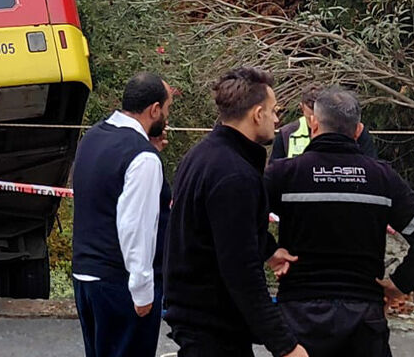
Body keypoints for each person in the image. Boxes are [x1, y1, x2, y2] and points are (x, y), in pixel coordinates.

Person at [265, 88, 414, 357]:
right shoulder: (383, 178)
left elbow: (239, 219)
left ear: (314, 124)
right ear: (359, 130)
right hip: (364, 319)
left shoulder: (284, 174)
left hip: (301, 318)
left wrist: (269, 251)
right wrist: (399, 284)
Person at [165, 66, 306, 357]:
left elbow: (219, 229)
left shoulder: (202, 155)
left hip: (197, 316)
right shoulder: (234, 175)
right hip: (213, 324)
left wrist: (268, 249)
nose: (277, 120)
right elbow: (241, 270)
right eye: (273, 111)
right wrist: (285, 346)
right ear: (257, 114)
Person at [71, 72, 172, 357]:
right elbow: (135, 227)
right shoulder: (142, 157)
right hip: (120, 283)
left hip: (86, 274)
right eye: (167, 109)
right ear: (154, 109)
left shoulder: (94, 136)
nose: (167, 117)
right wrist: (142, 289)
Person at [271, 84, 377, 161]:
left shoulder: (354, 130)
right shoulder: (286, 134)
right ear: (301, 107)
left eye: (320, 117)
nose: (315, 122)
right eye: (310, 117)